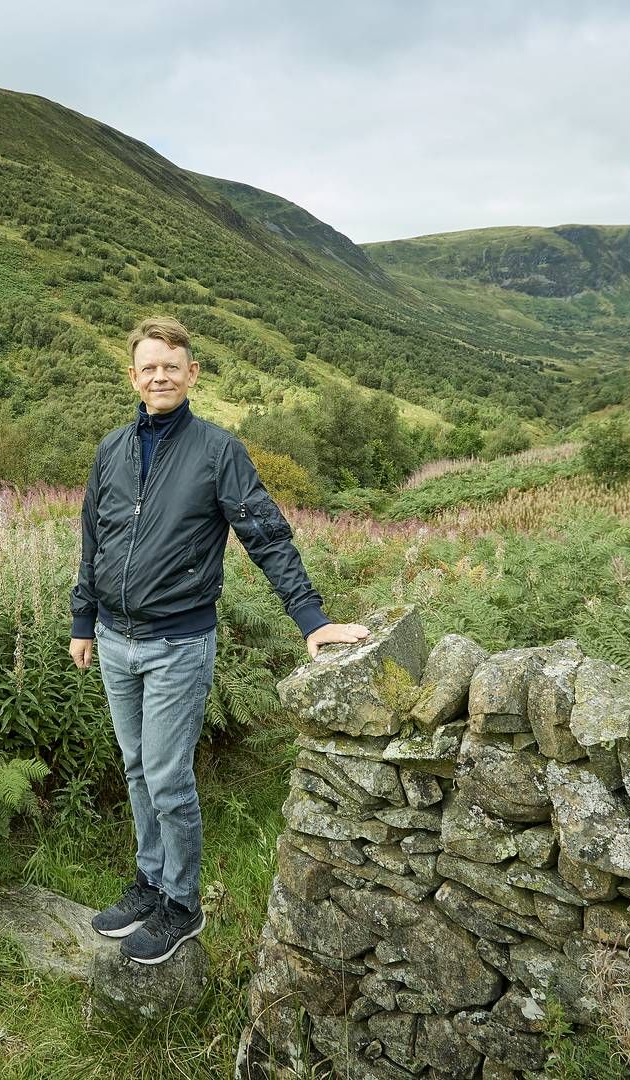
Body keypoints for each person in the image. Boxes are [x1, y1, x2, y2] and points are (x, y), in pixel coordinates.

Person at [69, 315, 369, 964]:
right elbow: (94, 539)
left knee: (170, 777)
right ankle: (150, 883)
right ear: (133, 376)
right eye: (148, 367)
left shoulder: (217, 451)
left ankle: (182, 906)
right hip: (116, 642)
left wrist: (311, 619)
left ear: (191, 373)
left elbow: (265, 533)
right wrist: (81, 620)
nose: (160, 376)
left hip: (178, 643)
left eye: (171, 366)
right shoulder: (111, 449)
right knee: (138, 768)